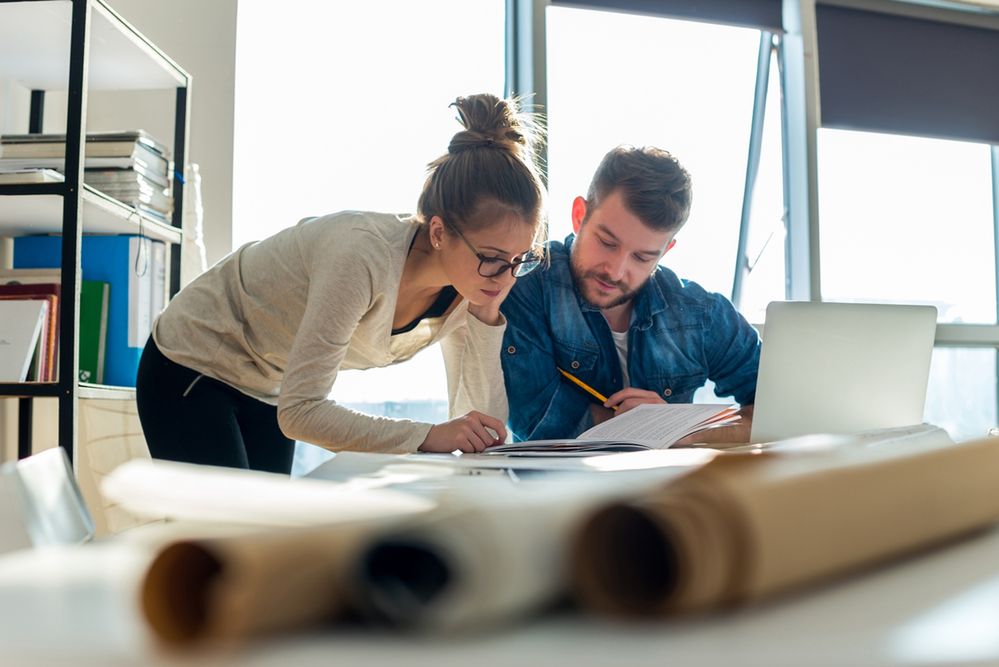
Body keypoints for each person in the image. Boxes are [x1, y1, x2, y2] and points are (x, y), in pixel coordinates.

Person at [136, 93, 547, 473]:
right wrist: (425, 435)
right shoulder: (361, 257)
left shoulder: (471, 287)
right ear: (439, 233)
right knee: (221, 536)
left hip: (268, 386)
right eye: (492, 259)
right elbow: (302, 411)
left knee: (259, 538)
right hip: (194, 358)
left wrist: (485, 318)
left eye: (520, 260)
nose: (506, 277)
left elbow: (485, 431)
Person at [500, 145, 759, 443]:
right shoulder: (526, 285)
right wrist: (633, 426)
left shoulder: (702, 314)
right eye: (607, 243)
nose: (616, 271)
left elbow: (779, 409)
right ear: (579, 215)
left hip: (670, 488)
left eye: (642, 258)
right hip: (558, 488)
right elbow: (535, 418)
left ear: (665, 252)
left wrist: (683, 430)